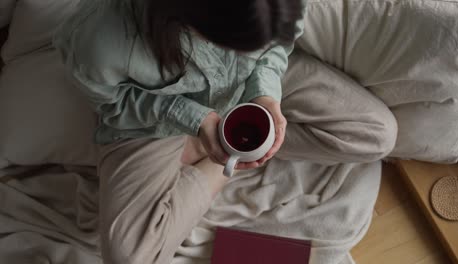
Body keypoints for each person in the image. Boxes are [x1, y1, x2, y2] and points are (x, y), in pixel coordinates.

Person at [54, 0, 306, 263]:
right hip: (154, 121)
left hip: (249, 85)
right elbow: (112, 102)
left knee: (352, 131)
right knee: (129, 256)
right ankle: (221, 155)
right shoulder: (102, 41)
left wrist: (266, 91)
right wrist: (195, 120)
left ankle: (227, 149)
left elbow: (281, 41)